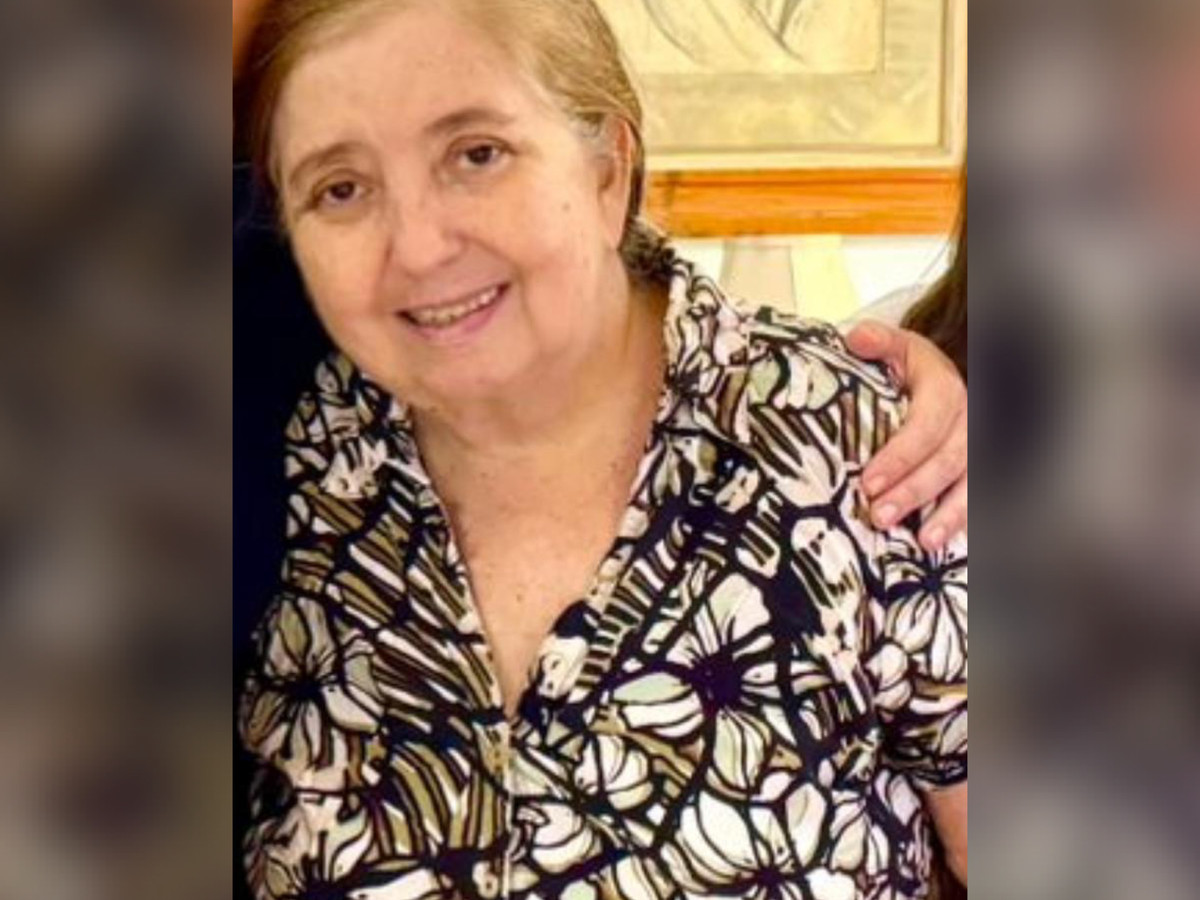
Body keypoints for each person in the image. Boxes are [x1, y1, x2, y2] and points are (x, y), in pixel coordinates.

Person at [234, 1, 967, 898]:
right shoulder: (276, 456)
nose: (418, 248)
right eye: (341, 189)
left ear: (608, 171)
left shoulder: (856, 447)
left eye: (477, 154)